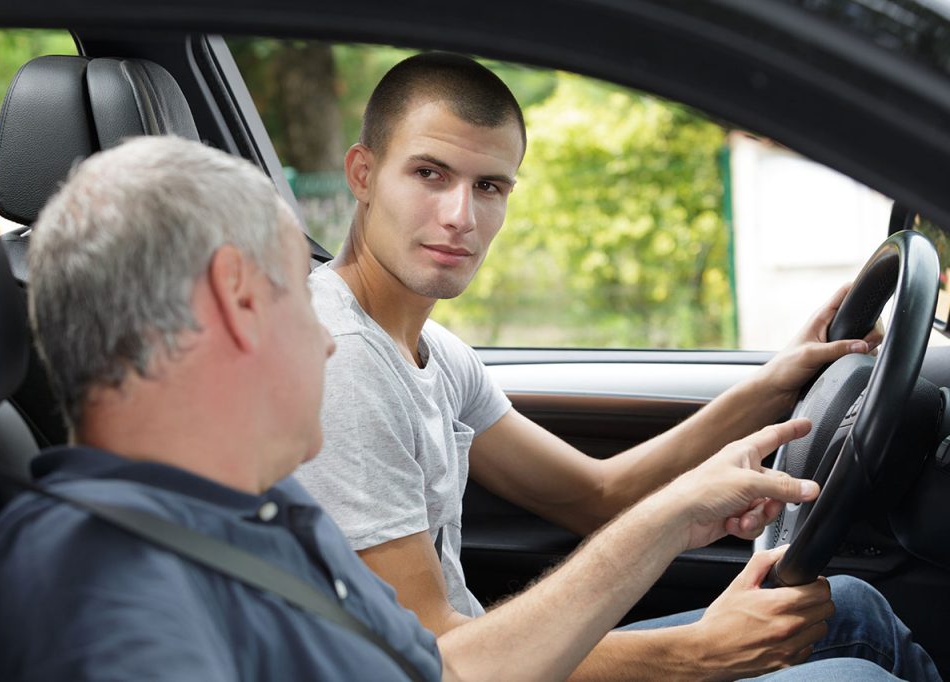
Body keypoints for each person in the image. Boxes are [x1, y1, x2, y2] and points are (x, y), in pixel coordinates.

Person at [0, 135, 915, 681]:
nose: (326, 335)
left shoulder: (251, 510)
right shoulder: (100, 588)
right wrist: (690, 653)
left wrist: (670, 515)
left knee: (852, 622)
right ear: (240, 299)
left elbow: (438, 671)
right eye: (301, 291)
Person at [294, 52, 938, 680]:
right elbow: (437, 661)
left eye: (488, 186)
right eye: (429, 174)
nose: (460, 215)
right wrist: (696, 653)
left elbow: (595, 495)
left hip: (488, 659)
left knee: (850, 609)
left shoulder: (440, 355)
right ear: (362, 174)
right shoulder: (341, 361)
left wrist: (775, 384)